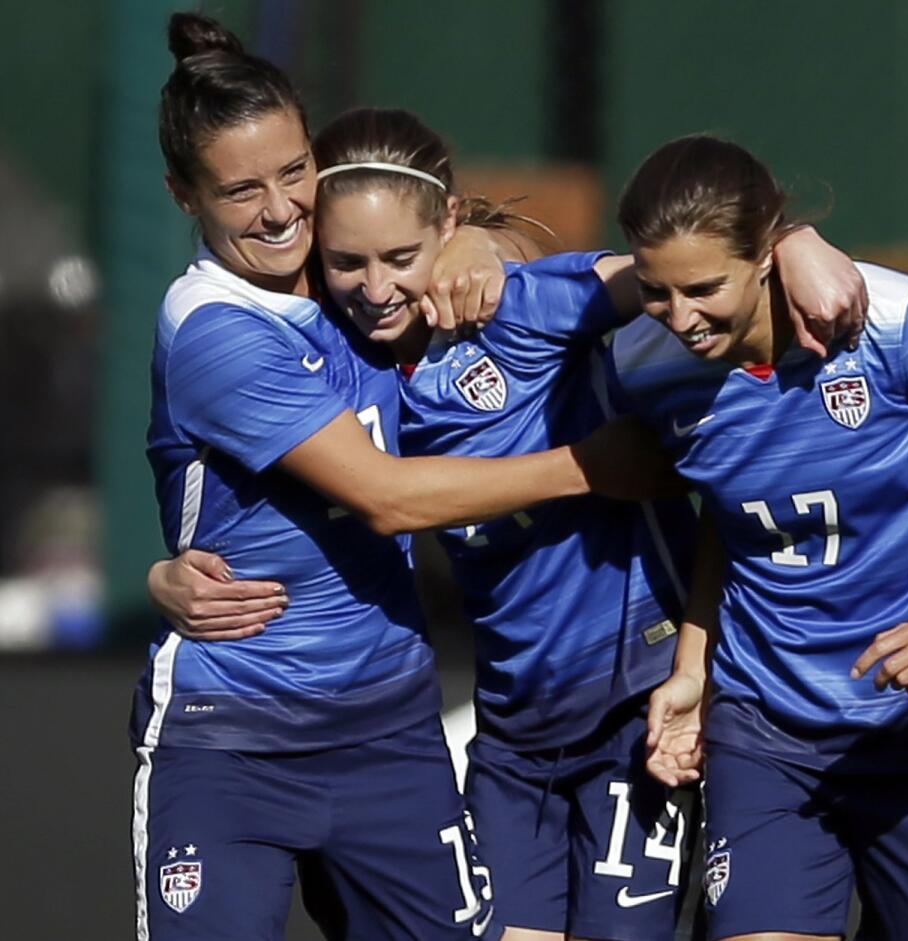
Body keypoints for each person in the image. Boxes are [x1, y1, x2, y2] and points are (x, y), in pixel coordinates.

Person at [147, 103, 867, 941]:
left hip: (634, 709)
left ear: (446, 223)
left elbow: (684, 270)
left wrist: (792, 242)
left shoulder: (520, 306)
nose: (377, 287)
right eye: (348, 260)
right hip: (513, 730)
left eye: (402, 257)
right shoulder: (341, 354)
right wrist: (172, 571)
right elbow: (330, 487)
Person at [134, 15, 681, 941]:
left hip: (392, 731)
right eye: (238, 190)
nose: (277, 211)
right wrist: (590, 467)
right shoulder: (217, 328)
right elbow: (386, 495)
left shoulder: (346, 271)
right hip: (232, 736)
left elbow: (428, 226)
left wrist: (477, 248)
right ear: (182, 195)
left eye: (293, 173)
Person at [608, 136, 908, 941]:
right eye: (656, 292)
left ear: (763, 254)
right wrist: (693, 669)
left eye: (701, 289)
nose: (681, 319)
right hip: (768, 731)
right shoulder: (647, 368)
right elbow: (731, 522)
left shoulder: (907, 329)